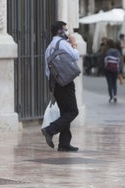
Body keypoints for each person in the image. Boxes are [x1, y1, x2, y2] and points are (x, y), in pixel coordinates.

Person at [42, 21, 80, 152]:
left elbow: (47, 70)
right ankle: (50, 130)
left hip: (55, 83)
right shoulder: (62, 43)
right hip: (65, 82)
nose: (67, 32)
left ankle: (64, 144)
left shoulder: (50, 46)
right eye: (65, 29)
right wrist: (74, 42)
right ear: (60, 31)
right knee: (73, 111)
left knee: (65, 111)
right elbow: (76, 56)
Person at [103, 39, 122, 103]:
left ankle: (111, 97)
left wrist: (105, 67)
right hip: (115, 69)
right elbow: (119, 60)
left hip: (108, 69)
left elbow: (105, 60)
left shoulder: (107, 51)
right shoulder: (117, 51)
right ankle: (115, 95)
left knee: (110, 83)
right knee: (114, 83)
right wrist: (119, 69)